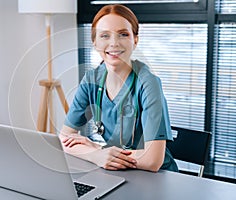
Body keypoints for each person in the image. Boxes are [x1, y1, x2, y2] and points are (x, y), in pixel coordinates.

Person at [59, 4, 178, 172]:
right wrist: (95, 155)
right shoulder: (91, 80)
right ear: (95, 42)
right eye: (105, 36)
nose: (114, 43)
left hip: (158, 178)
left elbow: (152, 160)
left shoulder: (148, 83)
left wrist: (99, 150)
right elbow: (64, 140)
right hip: (115, 171)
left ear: (135, 40)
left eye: (123, 34)